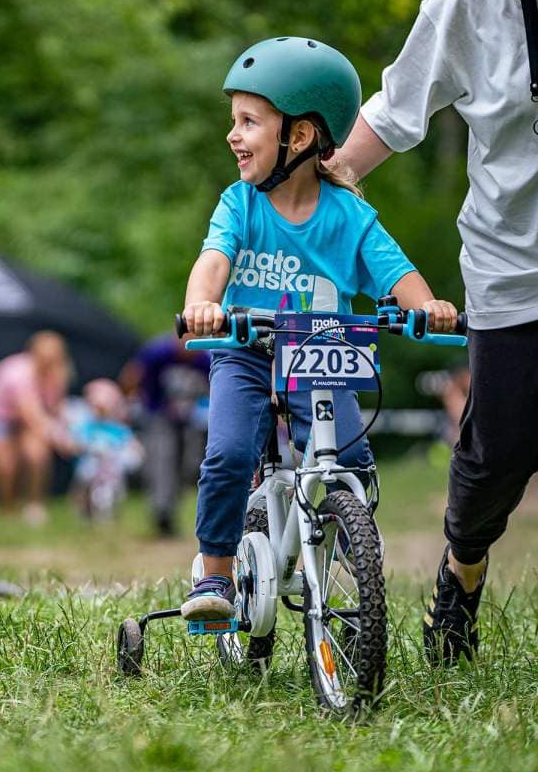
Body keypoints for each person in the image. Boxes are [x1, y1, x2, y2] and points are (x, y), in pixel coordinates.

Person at [179, 36, 459, 623]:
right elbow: (213, 260)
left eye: (249, 122)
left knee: (351, 460)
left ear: (300, 135)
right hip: (245, 349)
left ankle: (351, 560)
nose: (233, 135)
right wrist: (203, 304)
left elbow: (396, 273)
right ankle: (215, 573)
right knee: (229, 454)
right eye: (234, 121)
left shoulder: (348, 215)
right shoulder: (240, 204)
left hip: (321, 351)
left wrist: (429, 306)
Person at [332, 0, 538, 665]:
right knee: (497, 456)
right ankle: (462, 572)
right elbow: (393, 113)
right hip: (514, 270)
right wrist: (297, 198)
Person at [0, 331, 74, 525]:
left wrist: (68, 429)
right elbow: (33, 416)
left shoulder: (59, 373)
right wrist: (62, 440)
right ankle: (7, 510)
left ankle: (35, 506)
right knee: (6, 465)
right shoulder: (17, 373)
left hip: (24, 418)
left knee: (37, 454)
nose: (49, 363)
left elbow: (56, 409)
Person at [119, 334, 210, 536]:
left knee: (187, 463)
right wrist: (126, 403)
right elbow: (132, 375)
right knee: (163, 457)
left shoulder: (202, 358)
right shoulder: (158, 353)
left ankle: (170, 509)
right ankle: (161, 512)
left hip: (188, 418)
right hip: (158, 414)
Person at [68, 378, 143, 521]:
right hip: (90, 466)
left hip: (112, 468)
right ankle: (82, 505)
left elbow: (131, 444)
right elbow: (75, 442)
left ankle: (112, 511)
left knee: (115, 484)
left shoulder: (118, 429)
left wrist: (134, 451)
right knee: (85, 477)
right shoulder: (86, 427)